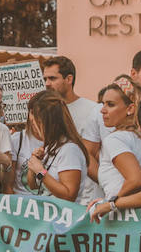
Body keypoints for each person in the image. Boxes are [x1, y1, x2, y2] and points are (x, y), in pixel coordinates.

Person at [10, 91, 94, 204]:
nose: (33, 126)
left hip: (63, 218)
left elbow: (69, 195)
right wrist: (33, 164)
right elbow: (33, 186)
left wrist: (41, 171)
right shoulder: (52, 146)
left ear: (46, 122)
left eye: (36, 123)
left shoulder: (69, 150)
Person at [42, 57, 104, 191]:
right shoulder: (45, 114)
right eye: (45, 79)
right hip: (54, 195)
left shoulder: (94, 110)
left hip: (88, 195)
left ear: (69, 79)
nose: (47, 83)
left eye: (52, 78)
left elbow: (101, 153)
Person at [92, 83, 141, 202]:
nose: (102, 110)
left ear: (130, 108)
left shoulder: (115, 139)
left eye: (110, 104)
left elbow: (136, 180)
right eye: (102, 103)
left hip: (126, 216)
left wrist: (110, 203)